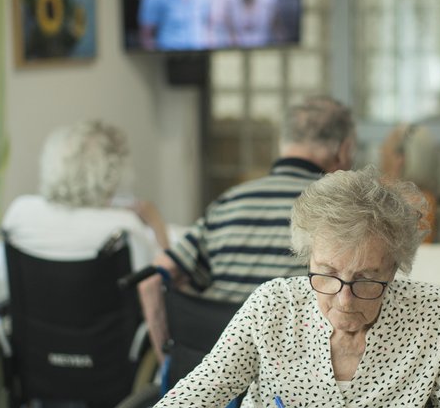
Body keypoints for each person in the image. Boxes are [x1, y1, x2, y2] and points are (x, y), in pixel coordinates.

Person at [141, 167, 440, 408]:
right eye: (326, 273)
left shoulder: (432, 314)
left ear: (396, 268)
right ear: (308, 256)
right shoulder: (273, 306)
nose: (344, 299)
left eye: (367, 279)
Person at [138, 95, 356, 362]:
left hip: (214, 371)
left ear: (282, 143)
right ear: (343, 150)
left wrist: (167, 363)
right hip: (294, 374)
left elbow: (152, 281)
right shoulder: (343, 211)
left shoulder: (229, 201)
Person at [3, 119, 170, 269]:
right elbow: (156, 279)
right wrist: (156, 223)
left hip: (37, 304)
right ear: (111, 172)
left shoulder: (20, 210)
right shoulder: (122, 228)